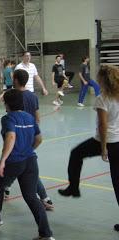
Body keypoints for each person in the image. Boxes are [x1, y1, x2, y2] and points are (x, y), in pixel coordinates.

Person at [0, 89, 54, 240]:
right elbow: (39, 139)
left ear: (7, 103)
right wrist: (28, 150)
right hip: (30, 161)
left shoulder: (8, 118)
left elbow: (11, 136)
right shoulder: (29, 117)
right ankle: (46, 234)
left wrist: (3, 160)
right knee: (31, 197)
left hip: (13, 162)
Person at [59, 65, 119, 232]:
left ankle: (73, 187)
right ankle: (73, 187)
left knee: (76, 153)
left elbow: (103, 124)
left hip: (108, 141)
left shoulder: (103, 98)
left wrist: (103, 147)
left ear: (103, 80)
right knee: (117, 182)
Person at [5, 69, 54, 210]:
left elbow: (9, 117)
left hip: (16, 138)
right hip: (30, 138)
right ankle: (45, 198)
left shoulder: (12, 96)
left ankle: (4, 188)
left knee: (16, 166)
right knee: (26, 167)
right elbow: (37, 119)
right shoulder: (33, 97)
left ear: (15, 80)